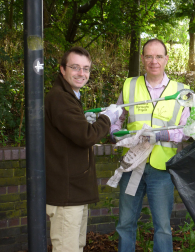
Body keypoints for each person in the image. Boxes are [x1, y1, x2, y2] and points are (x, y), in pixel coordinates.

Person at [110, 39, 190, 252]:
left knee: (162, 227)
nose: (154, 61)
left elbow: (187, 130)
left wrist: (162, 135)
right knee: (125, 223)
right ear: (143, 58)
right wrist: (114, 135)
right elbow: (116, 119)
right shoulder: (130, 85)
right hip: (132, 165)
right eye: (148, 56)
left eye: (158, 56)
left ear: (166, 59)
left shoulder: (182, 91)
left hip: (161, 169)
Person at [45, 46, 122, 252]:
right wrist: (107, 118)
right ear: (62, 69)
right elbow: (87, 137)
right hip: (66, 193)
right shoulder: (60, 98)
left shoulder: (70, 96)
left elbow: (76, 133)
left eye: (86, 69)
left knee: (76, 246)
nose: (82, 74)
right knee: (67, 248)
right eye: (75, 67)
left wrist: (87, 120)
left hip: (73, 191)